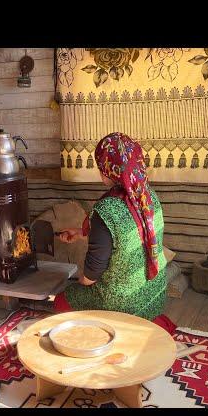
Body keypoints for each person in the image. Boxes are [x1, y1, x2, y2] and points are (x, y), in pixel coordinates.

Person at [55, 132, 176, 334]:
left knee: (62, 301)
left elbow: (91, 275)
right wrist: (81, 232)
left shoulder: (106, 211)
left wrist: (80, 282)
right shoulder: (148, 196)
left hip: (123, 305)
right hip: (155, 295)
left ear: (107, 171)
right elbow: (129, 231)